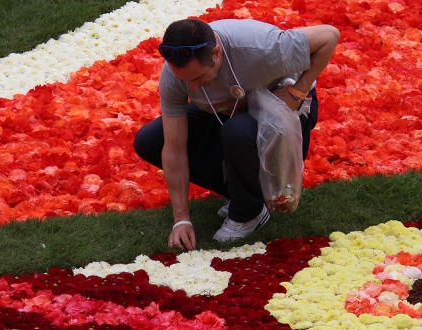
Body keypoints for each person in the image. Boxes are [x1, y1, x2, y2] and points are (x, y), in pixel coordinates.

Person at [133, 18, 340, 250]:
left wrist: (296, 92)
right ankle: (241, 191)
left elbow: (329, 35)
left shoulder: (261, 47)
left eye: (198, 78)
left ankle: (249, 212)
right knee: (150, 140)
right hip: (229, 109)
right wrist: (181, 220)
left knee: (237, 132)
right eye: (184, 80)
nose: (191, 88)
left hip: (284, 111)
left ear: (216, 53)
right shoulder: (175, 75)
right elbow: (174, 148)